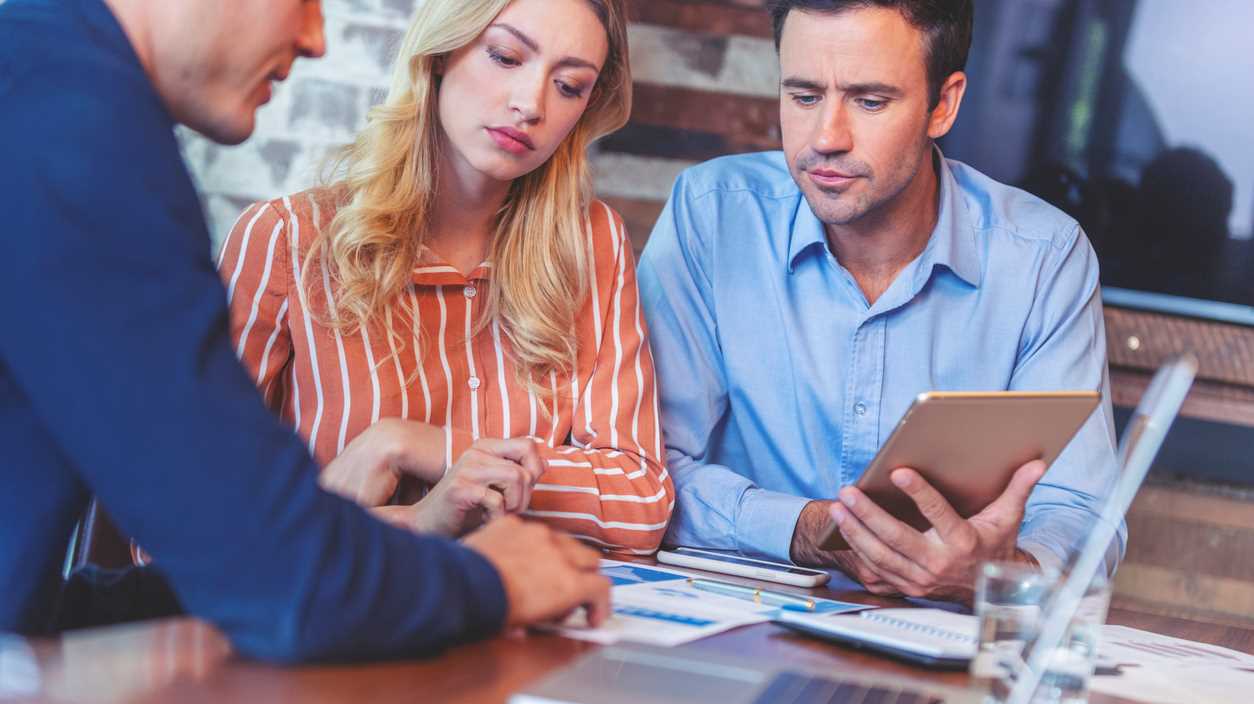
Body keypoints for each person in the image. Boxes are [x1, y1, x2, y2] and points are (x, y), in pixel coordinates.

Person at [0, 0, 610, 660]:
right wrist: (491, 581)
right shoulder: (72, 134)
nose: (315, 38)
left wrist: (392, 540)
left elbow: (39, 598)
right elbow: (278, 578)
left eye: (570, 84)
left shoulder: (39, 86)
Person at [638, 0, 1124, 603]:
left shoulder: (1042, 256)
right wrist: (806, 531)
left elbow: (1079, 511)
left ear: (942, 104)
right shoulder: (713, 213)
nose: (826, 139)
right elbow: (645, 473)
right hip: (736, 623)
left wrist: (998, 572)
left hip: (940, 644)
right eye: (804, 95)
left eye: (870, 101)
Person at [208, 0, 671, 558]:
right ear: (441, 53)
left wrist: (412, 444)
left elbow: (641, 500)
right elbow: (176, 524)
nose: (530, 104)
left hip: (520, 633)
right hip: (326, 634)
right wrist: (414, 523)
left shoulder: (593, 242)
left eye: (570, 86)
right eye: (504, 56)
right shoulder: (285, 239)